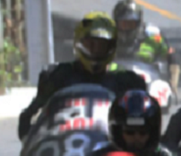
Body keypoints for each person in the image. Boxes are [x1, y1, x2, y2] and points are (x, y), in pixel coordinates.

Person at [18, 12, 147, 141]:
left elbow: (143, 123)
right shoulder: (58, 76)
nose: (96, 51)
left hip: (110, 146)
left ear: (111, 47)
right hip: (65, 145)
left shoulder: (127, 81)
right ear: (79, 43)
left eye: (102, 47)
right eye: (91, 45)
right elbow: (30, 117)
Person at [83, 90, 179, 156]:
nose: (137, 138)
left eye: (143, 133)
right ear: (118, 132)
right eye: (130, 132)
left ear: (152, 133)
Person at [112, 0, 181, 93]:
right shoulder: (108, 36)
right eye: (123, 24)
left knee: (161, 88)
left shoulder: (153, 36)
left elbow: (171, 54)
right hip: (115, 82)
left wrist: (173, 83)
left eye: (130, 24)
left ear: (139, 23)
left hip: (148, 84)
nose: (127, 28)